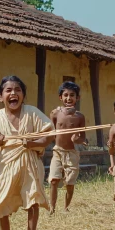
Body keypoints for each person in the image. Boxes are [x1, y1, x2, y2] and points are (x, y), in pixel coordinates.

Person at [0, 75, 54, 230]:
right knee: (1, 203)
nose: (13, 93)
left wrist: (32, 144)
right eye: (8, 90)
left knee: (32, 200)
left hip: (31, 162)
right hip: (7, 165)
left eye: (18, 90)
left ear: (23, 95)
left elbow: (49, 134)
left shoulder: (32, 112)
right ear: (0, 96)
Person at [48, 81, 86, 214]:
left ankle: (66, 208)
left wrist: (78, 139)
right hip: (58, 151)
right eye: (65, 95)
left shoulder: (80, 117)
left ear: (77, 98)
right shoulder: (55, 113)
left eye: (72, 95)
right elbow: (51, 131)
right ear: (60, 97)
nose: (68, 98)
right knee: (53, 180)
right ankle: (52, 208)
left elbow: (83, 138)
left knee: (69, 183)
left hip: (72, 153)